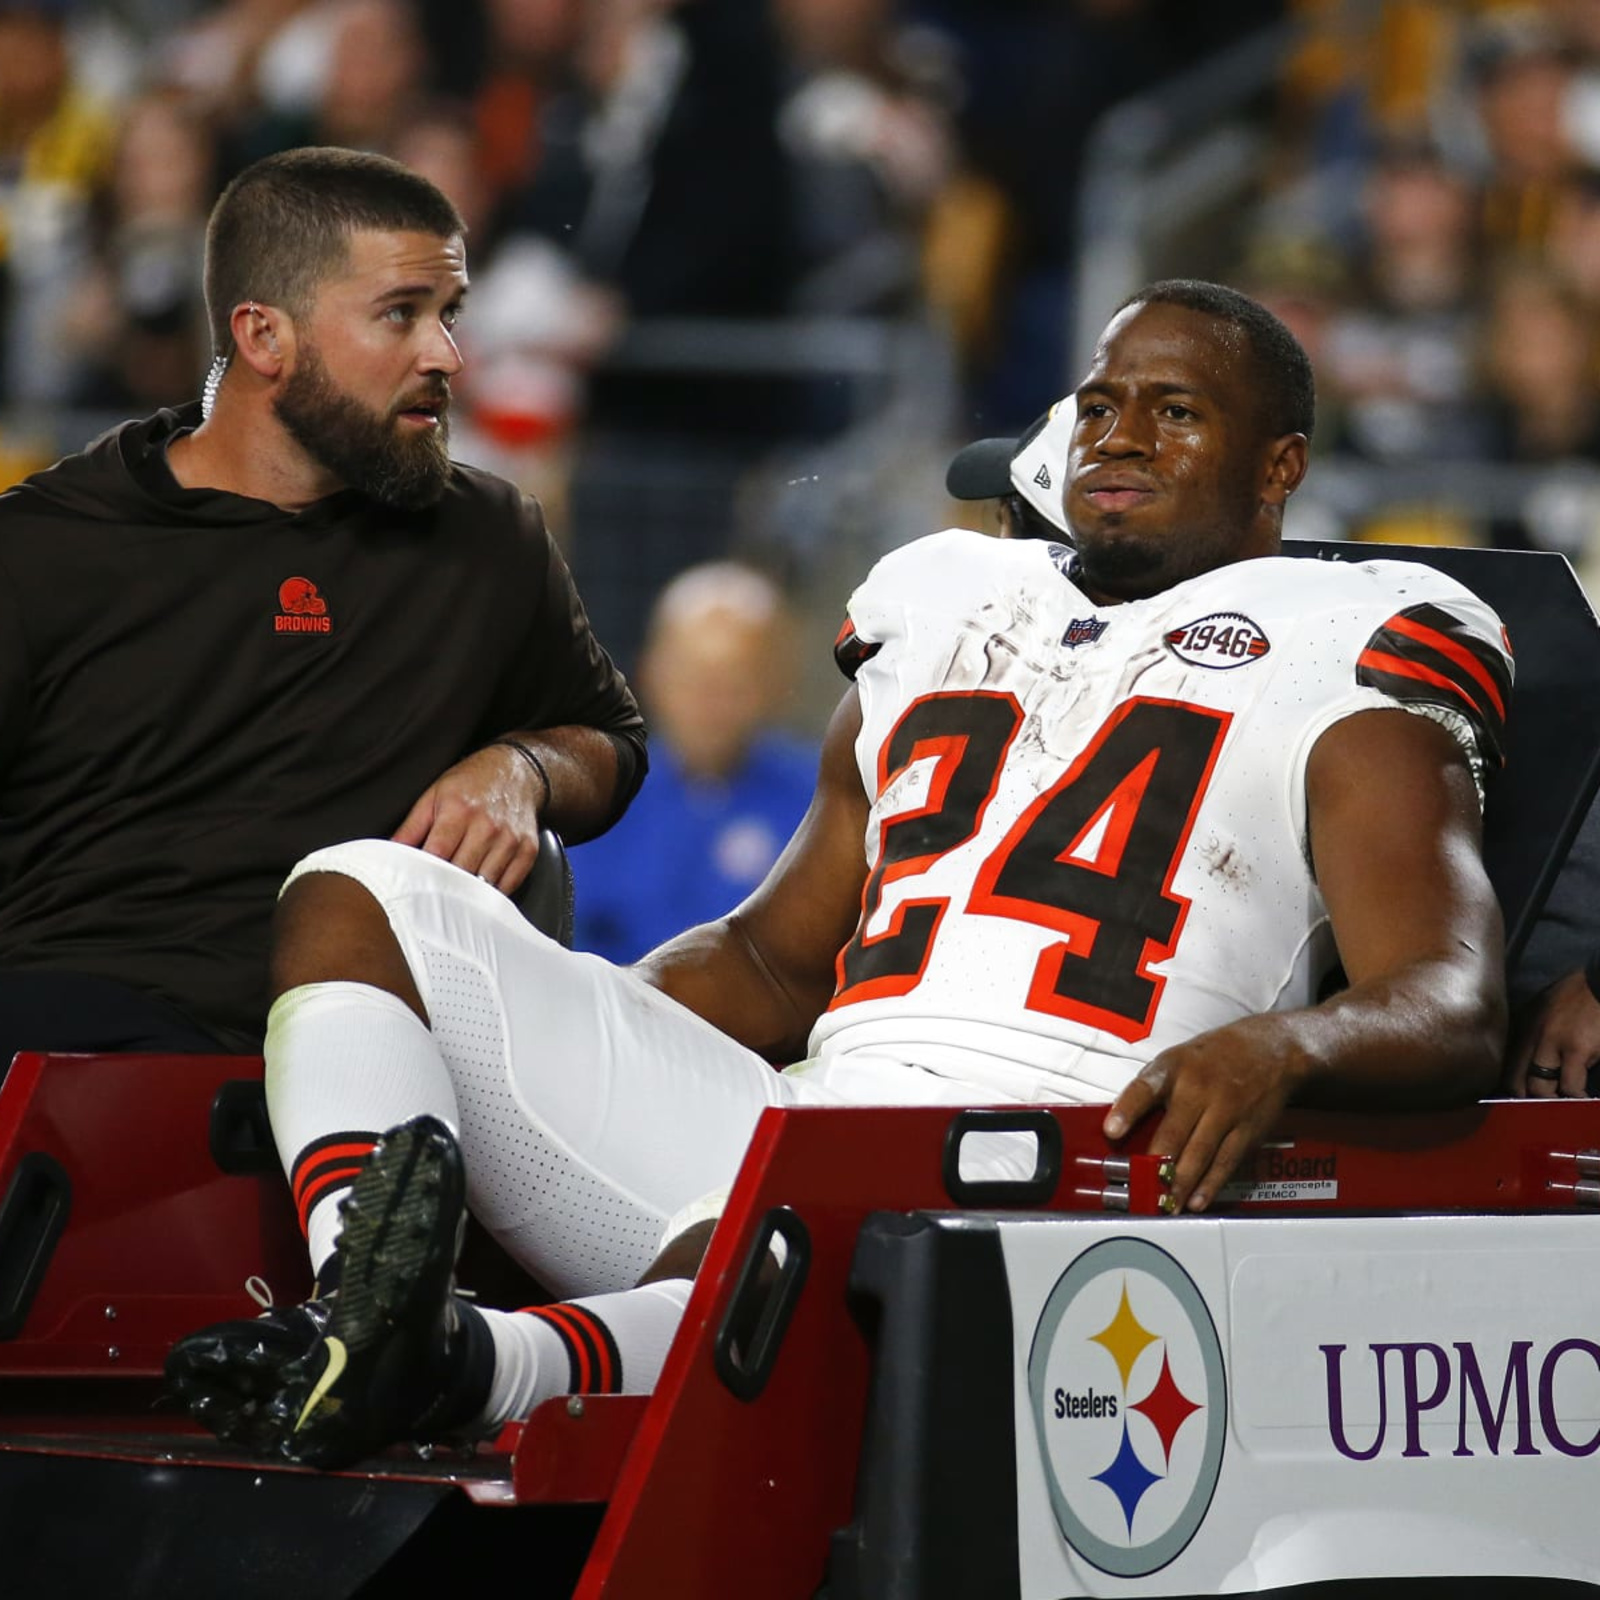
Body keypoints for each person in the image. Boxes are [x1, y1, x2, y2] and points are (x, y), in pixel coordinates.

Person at [167, 279, 1510, 1471]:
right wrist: (577, 1038)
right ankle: (365, 1303)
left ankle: (470, 1367)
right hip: (807, 1108)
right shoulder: (943, 599)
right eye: (1100, 405)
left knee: (774, 1233)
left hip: (1049, 1159)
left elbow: (1448, 992)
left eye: (1176, 413)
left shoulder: (1357, 644)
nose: (1122, 438)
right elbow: (770, 962)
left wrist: (1287, 1047)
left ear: (1280, 466)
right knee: (364, 892)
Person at [0, 146, 646, 1063]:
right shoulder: (41, 547)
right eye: (401, 316)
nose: (449, 356)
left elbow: (610, 741)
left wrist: (522, 767)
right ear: (264, 337)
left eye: (450, 314)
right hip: (83, 1041)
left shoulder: (490, 536)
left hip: (382, 1044)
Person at [569, 561, 817, 964]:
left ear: (776, 683)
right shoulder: (598, 793)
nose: (710, 702)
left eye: (733, 681)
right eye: (693, 676)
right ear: (650, 675)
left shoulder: (821, 799)